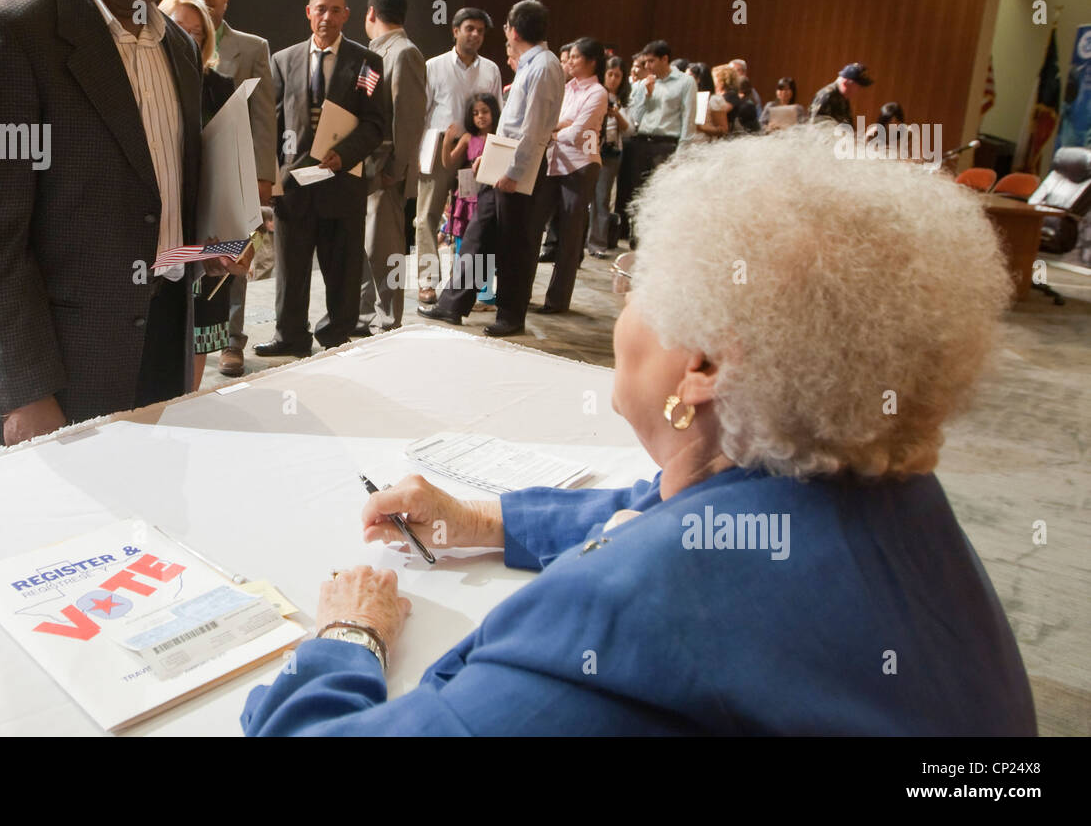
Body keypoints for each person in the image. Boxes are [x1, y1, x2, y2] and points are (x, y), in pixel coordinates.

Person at [241, 126, 1036, 736]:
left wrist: (349, 637)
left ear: (703, 367)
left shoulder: (622, 616)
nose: (623, 300)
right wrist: (486, 521)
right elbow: (686, 507)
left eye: (639, 280)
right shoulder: (888, 492)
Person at [0, 0, 236, 450]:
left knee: (160, 525)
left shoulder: (179, 51)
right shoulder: (12, 36)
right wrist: (26, 390)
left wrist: (208, 248)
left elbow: (155, 209)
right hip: (62, 369)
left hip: (165, 345)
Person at [257, 0, 388, 357]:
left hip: (342, 183)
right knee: (291, 271)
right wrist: (272, 175)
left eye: (335, 9)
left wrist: (344, 154)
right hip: (294, 186)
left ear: (347, 14)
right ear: (308, 11)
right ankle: (290, 336)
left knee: (343, 271)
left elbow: (375, 123)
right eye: (320, 9)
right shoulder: (283, 60)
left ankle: (334, 336)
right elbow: (272, 125)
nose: (326, 17)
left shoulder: (366, 62)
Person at [421, 0, 565, 337]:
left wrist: (513, 172)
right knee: (477, 233)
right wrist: (491, 154)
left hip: (517, 171)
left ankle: (511, 316)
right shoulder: (533, 64)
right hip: (500, 161)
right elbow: (514, 124)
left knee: (516, 243)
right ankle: (452, 304)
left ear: (512, 31)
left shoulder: (544, 65)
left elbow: (532, 129)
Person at [186, 0, 278, 376]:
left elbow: (263, 118)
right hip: (186, 177)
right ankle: (188, 339)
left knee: (233, 256)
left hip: (234, 174)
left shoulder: (253, 47)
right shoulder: (165, 42)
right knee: (188, 257)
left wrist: (261, 178)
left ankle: (231, 341)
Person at [159, 0, 238, 391]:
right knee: (158, 323)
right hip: (160, 225)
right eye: (177, 28)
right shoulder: (143, 82)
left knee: (203, 317)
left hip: (209, 225)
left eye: (197, 33)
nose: (188, 39)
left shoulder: (220, 86)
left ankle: (189, 402)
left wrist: (238, 230)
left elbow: (231, 162)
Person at [415, 8, 503, 305]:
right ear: (455, 30)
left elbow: (498, 115)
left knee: (473, 219)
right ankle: (427, 281)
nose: (475, 35)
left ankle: (466, 284)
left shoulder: (490, 69)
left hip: (476, 150)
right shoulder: (434, 66)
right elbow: (421, 112)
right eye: (469, 28)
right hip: (439, 145)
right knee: (426, 216)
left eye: (480, 30)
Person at [357, 0, 426, 335]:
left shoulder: (403, 53)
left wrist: (395, 170)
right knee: (370, 248)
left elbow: (410, 118)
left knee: (386, 250)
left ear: (371, 13)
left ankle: (388, 320)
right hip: (367, 168)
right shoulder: (377, 51)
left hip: (386, 168)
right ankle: (365, 314)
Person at [535, 37, 608, 313]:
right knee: (537, 226)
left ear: (591, 61)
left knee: (569, 236)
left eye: (576, 57)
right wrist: (557, 129)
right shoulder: (568, 88)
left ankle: (557, 301)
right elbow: (557, 121)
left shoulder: (597, 92)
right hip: (555, 163)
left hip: (580, 166)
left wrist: (553, 132)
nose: (569, 61)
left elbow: (577, 132)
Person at [619, 40, 695, 248]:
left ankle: (654, 242)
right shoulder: (644, 84)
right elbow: (634, 117)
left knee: (659, 194)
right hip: (641, 141)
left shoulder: (685, 83)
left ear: (665, 59)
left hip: (666, 144)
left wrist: (681, 155)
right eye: (645, 62)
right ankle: (635, 240)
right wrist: (646, 94)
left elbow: (688, 121)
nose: (648, 66)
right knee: (637, 193)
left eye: (651, 61)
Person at [440, 93, 500, 298]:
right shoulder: (467, 138)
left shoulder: (499, 137)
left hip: (489, 196)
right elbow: (448, 163)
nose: (480, 117)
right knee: (463, 243)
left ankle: (484, 293)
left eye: (485, 111)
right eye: (475, 113)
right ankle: (461, 290)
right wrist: (447, 142)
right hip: (467, 197)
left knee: (487, 243)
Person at [586, 55, 630, 258]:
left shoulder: (623, 100)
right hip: (591, 149)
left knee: (602, 199)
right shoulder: (596, 94)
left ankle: (598, 243)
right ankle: (584, 240)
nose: (613, 79)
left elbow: (629, 130)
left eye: (617, 75)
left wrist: (617, 114)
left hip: (611, 153)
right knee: (586, 197)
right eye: (610, 74)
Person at [810, 62, 873, 129]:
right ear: (846, 83)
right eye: (858, 87)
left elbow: (848, 125)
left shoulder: (843, 97)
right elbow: (814, 126)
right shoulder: (827, 95)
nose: (859, 91)